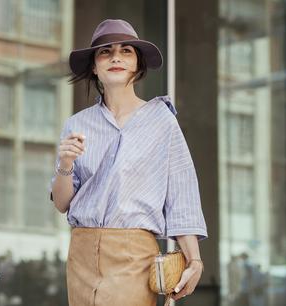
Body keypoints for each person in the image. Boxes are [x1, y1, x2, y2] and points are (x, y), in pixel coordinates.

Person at [48, 19, 208, 306]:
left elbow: (182, 195)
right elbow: (62, 203)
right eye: (105, 52)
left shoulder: (161, 121)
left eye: (126, 51)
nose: (116, 57)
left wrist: (194, 260)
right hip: (81, 253)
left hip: (134, 254)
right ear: (94, 67)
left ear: (137, 65)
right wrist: (65, 163)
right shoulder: (77, 124)